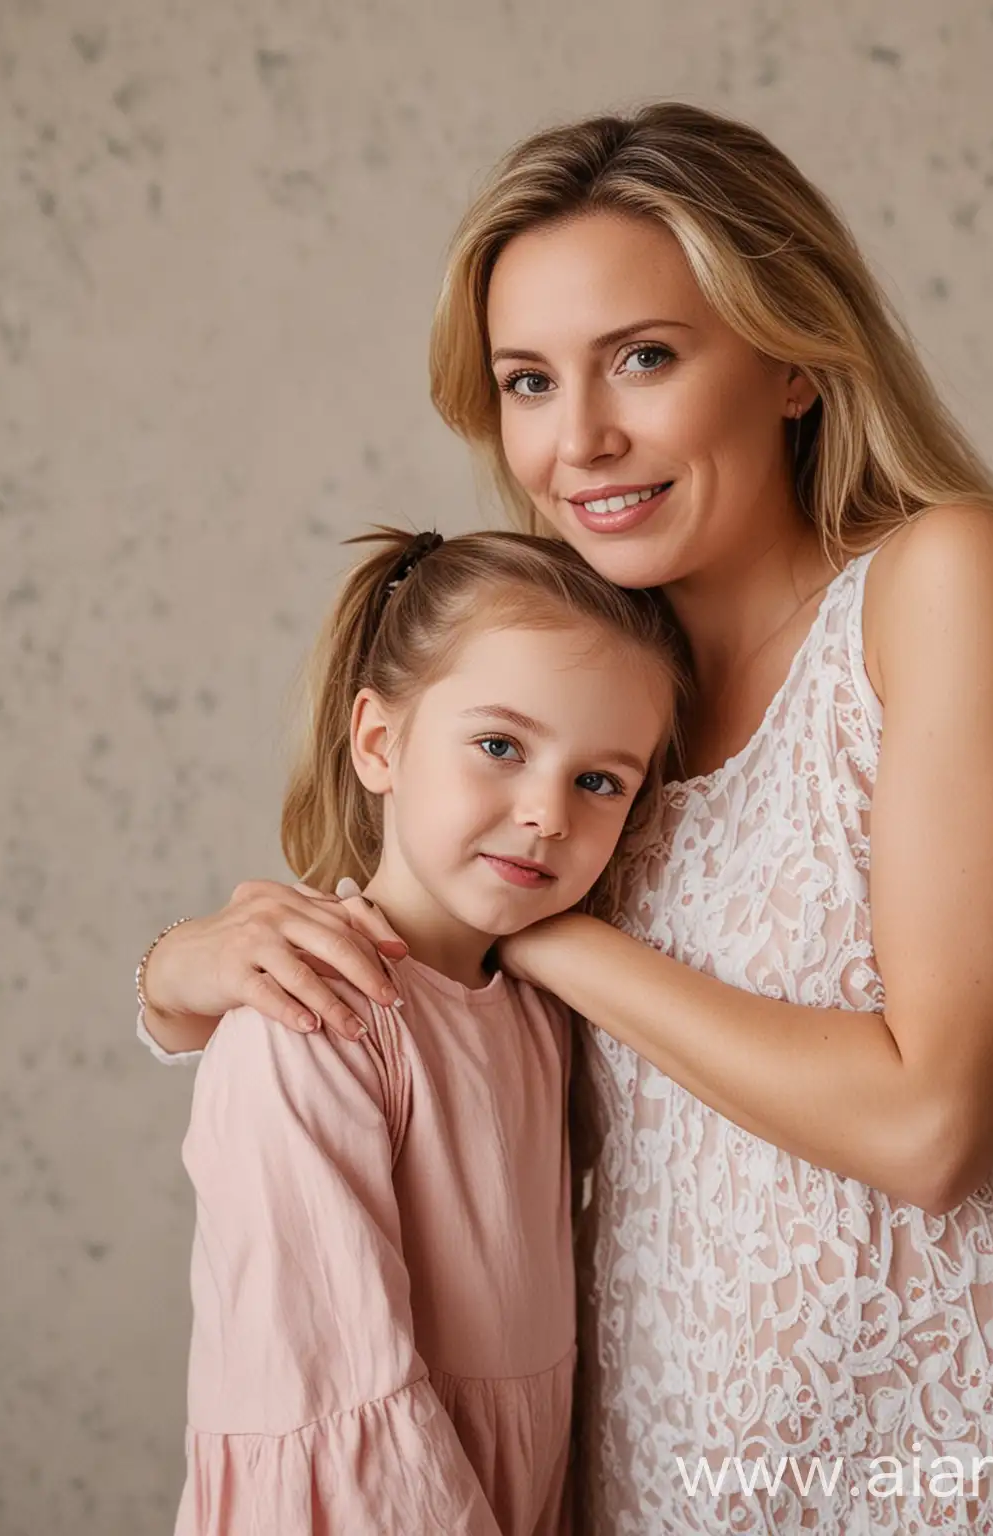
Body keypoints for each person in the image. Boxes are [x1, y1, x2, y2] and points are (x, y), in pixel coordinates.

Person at [136, 103, 993, 1533]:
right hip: (677, 1476)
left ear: (790, 360)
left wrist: (557, 942)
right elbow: (406, 967)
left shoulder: (938, 583)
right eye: (528, 383)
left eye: (642, 359)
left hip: (986, 1457)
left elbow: (931, 1124)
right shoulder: (579, 688)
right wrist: (175, 975)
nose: (579, 439)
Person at [153, 527, 686, 1536]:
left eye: (600, 781)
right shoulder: (314, 1019)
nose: (544, 814)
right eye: (501, 747)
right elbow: (339, 1389)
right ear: (379, 742)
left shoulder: (540, 1011)